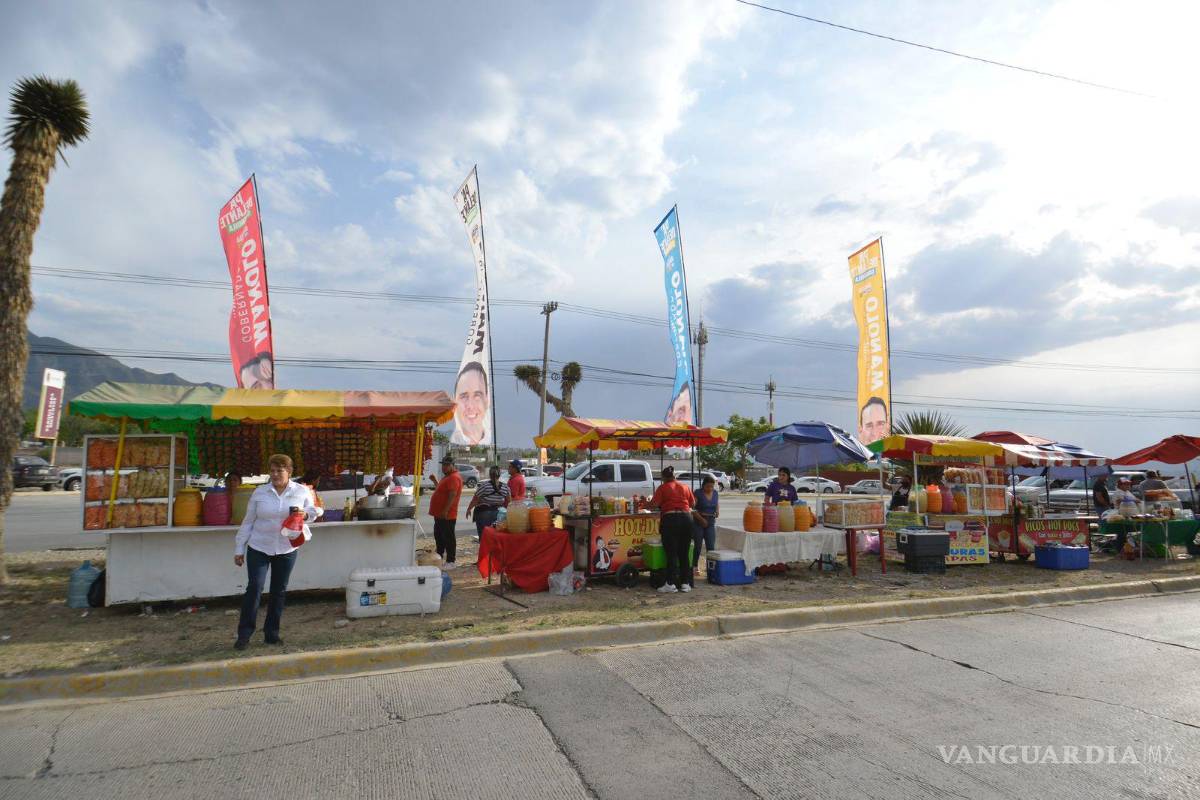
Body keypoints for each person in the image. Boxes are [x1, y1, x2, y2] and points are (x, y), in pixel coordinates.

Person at [233, 453, 321, 650]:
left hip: (286, 547)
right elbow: (248, 522)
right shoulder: (260, 492)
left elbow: (314, 512)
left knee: (278, 591)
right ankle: (244, 635)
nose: (274, 474)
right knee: (254, 588)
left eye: (279, 470)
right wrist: (239, 548)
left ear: (289, 472)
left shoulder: (301, 491)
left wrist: (306, 514)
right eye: (271, 470)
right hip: (259, 546)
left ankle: (271, 634)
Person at [649, 466, 697, 594]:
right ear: (674, 476)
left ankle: (670, 584)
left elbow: (653, 504)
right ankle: (685, 583)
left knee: (671, 554)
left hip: (670, 520)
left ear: (664, 478)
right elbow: (692, 504)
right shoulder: (685, 487)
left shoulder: (663, 487)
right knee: (684, 553)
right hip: (687, 519)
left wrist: (647, 502)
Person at [429, 456, 463, 569]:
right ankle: (439, 557)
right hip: (439, 514)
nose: (444, 467)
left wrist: (445, 510)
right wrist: (434, 481)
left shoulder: (454, 477)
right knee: (439, 536)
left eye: (447, 465)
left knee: (448, 537)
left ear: (453, 465)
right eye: (443, 464)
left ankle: (451, 561)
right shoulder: (447, 477)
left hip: (447, 515)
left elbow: (452, 495)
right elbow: (441, 490)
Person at [451, 362, 490, 446]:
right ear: (455, 402)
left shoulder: (489, 442)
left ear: (487, 401)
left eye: (477, 396)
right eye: (464, 397)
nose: (470, 406)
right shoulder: (452, 444)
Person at [466, 465, 509, 539]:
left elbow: (475, 499)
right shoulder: (506, 487)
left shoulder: (484, 485)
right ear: (499, 475)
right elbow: (509, 503)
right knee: (495, 537)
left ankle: (484, 550)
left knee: (483, 537)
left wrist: (469, 509)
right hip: (499, 515)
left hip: (483, 513)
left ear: (490, 475)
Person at [691, 475, 719, 574]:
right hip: (699, 521)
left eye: (712, 486)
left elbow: (717, 504)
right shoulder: (698, 493)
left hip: (711, 521)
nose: (710, 489)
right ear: (703, 485)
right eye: (708, 486)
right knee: (698, 546)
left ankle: (710, 567)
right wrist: (701, 519)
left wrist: (717, 511)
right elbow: (692, 509)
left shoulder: (715, 493)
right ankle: (694, 566)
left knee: (711, 546)